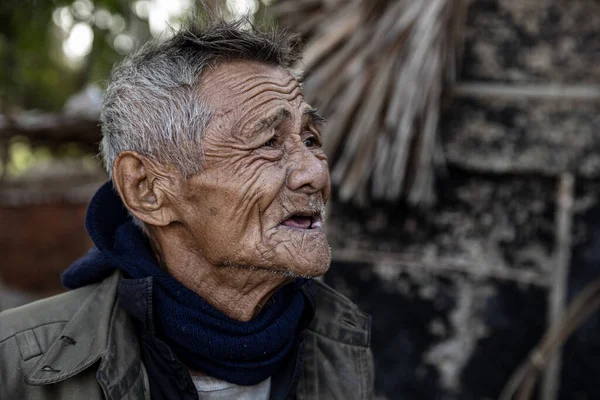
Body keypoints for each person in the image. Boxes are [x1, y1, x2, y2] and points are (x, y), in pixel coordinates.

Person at [0, 18, 374, 400]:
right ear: (148, 190)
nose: (314, 171)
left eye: (310, 138)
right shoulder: (13, 366)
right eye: (268, 143)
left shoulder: (348, 345)